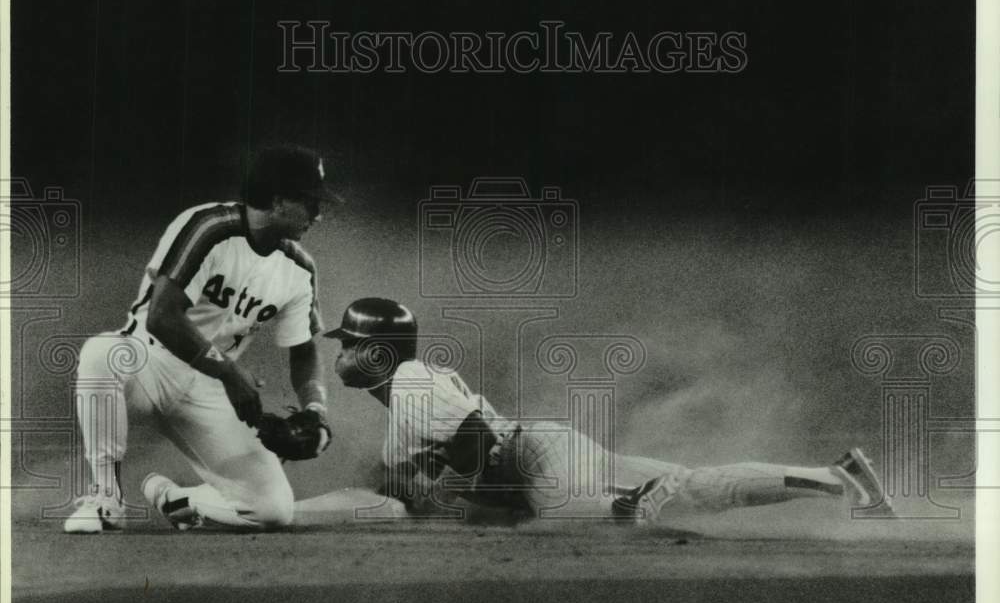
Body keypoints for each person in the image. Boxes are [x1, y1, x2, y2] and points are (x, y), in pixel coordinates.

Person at [325, 297, 894, 524]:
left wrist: (447, 495)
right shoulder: (408, 393)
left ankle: (633, 504)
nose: (340, 355)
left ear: (376, 350)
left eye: (347, 344)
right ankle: (838, 479)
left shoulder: (409, 382)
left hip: (535, 462)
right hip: (549, 452)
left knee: (618, 516)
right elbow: (411, 482)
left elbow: (474, 440)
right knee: (693, 488)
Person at [63, 145, 335, 533]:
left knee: (272, 510)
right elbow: (161, 317)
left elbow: (305, 351)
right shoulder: (208, 226)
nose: (318, 214)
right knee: (101, 354)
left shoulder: (299, 268)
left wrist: (316, 410)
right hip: (148, 361)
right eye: (310, 202)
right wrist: (228, 372)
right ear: (278, 201)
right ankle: (106, 499)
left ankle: (177, 499)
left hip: (210, 387)